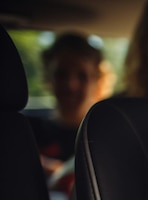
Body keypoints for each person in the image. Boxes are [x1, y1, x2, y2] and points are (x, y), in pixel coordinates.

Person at [29, 31, 112, 178]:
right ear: (48, 78)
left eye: (82, 76)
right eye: (61, 74)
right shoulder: (27, 132)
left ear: (96, 80)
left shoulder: (107, 135)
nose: (71, 85)